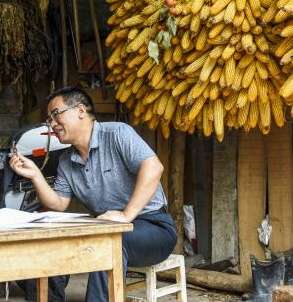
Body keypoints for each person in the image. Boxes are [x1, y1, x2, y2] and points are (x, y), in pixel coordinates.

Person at [9, 87, 177, 301]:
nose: (51, 124)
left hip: (154, 227)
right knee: (51, 241)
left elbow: (154, 167)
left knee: (105, 243)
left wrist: (126, 215)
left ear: (80, 110)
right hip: (107, 228)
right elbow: (59, 203)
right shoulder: (66, 160)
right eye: (48, 119)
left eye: (55, 114)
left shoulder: (117, 133)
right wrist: (35, 174)